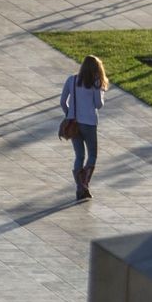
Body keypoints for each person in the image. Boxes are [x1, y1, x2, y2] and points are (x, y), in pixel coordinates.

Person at [59, 54, 108, 201]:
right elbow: (98, 105)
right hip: (89, 123)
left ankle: (80, 188)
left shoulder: (71, 80)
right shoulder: (96, 83)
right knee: (92, 155)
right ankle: (84, 184)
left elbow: (62, 102)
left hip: (74, 122)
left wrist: (69, 113)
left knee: (79, 155)